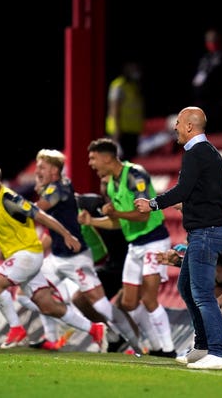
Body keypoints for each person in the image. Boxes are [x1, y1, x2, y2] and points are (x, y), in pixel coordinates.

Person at [0, 162, 107, 351]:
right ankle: (94, 329)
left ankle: (16, 329)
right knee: (47, 306)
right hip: (20, 256)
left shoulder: (10, 199)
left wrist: (66, 235)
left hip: (28, 254)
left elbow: (41, 216)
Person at [134, 106, 222, 370]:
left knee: (201, 292)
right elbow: (203, 194)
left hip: (207, 232)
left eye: (178, 122)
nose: (175, 127)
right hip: (207, 230)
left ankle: (219, 353)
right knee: (186, 287)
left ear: (189, 126)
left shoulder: (196, 152)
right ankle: (202, 347)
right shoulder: (207, 152)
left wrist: (153, 204)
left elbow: (183, 189)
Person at [29, 149, 141, 352]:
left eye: (110, 182)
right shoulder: (87, 202)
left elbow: (120, 225)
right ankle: (110, 336)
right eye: (103, 182)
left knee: (128, 304)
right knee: (59, 295)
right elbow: (51, 227)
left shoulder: (117, 206)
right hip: (108, 264)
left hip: (129, 261)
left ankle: (139, 346)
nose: (105, 186)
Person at [80, 138, 176, 358]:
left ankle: (168, 350)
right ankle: (155, 345)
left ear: (106, 157)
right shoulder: (112, 184)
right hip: (135, 245)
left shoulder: (135, 175)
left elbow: (143, 215)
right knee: (129, 302)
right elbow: (118, 223)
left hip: (154, 241)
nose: (91, 163)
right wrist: (92, 222)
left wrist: (116, 213)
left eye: (93, 158)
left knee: (149, 300)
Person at [192, 28, 222, 134]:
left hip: (219, 98)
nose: (212, 43)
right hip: (204, 99)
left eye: (214, 40)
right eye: (209, 41)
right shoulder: (206, 58)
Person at [105, 61, 145, 161]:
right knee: (119, 160)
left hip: (132, 130)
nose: (136, 72)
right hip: (121, 131)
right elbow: (114, 107)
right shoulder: (119, 85)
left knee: (130, 160)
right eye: (134, 69)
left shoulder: (134, 86)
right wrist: (116, 130)